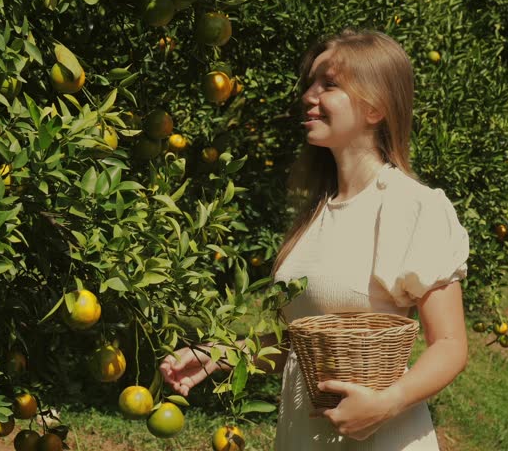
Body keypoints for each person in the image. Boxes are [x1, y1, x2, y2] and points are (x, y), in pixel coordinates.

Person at [159, 29, 470, 450]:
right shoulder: (319, 211)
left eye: (329, 84)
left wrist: (385, 403)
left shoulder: (411, 206)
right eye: (310, 83)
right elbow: (301, 347)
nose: (308, 95)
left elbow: (450, 345)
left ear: (376, 106)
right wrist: (218, 355)